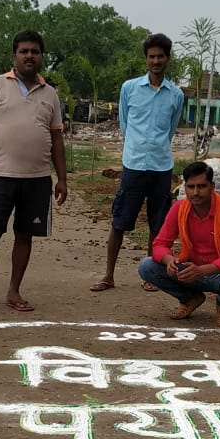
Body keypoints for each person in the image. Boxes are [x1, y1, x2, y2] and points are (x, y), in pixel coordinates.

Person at [0, 30, 67, 315]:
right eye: (24, 51)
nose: (29, 56)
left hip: (38, 179)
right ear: (15, 56)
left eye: (35, 51)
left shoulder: (50, 94)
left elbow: (57, 139)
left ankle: (13, 291)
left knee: (25, 235)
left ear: (42, 57)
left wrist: (62, 179)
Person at [90, 33, 183, 292]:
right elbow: (125, 123)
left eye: (160, 56)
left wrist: (155, 147)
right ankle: (108, 275)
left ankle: (150, 277)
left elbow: (171, 129)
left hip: (161, 167)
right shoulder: (129, 88)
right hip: (133, 165)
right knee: (120, 221)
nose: (156, 61)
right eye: (151, 56)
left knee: (157, 225)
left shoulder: (175, 95)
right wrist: (136, 147)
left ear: (167, 59)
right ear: (146, 59)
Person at [137, 161, 220, 328]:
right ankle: (190, 298)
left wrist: (202, 271)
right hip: (188, 271)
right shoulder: (179, 208)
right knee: (146, 266)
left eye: (201, 186)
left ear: (212, 186)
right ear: (185, 187)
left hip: (219, 274)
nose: (195, 192)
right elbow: (159, 244)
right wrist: (169, 260)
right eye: (190, 187)